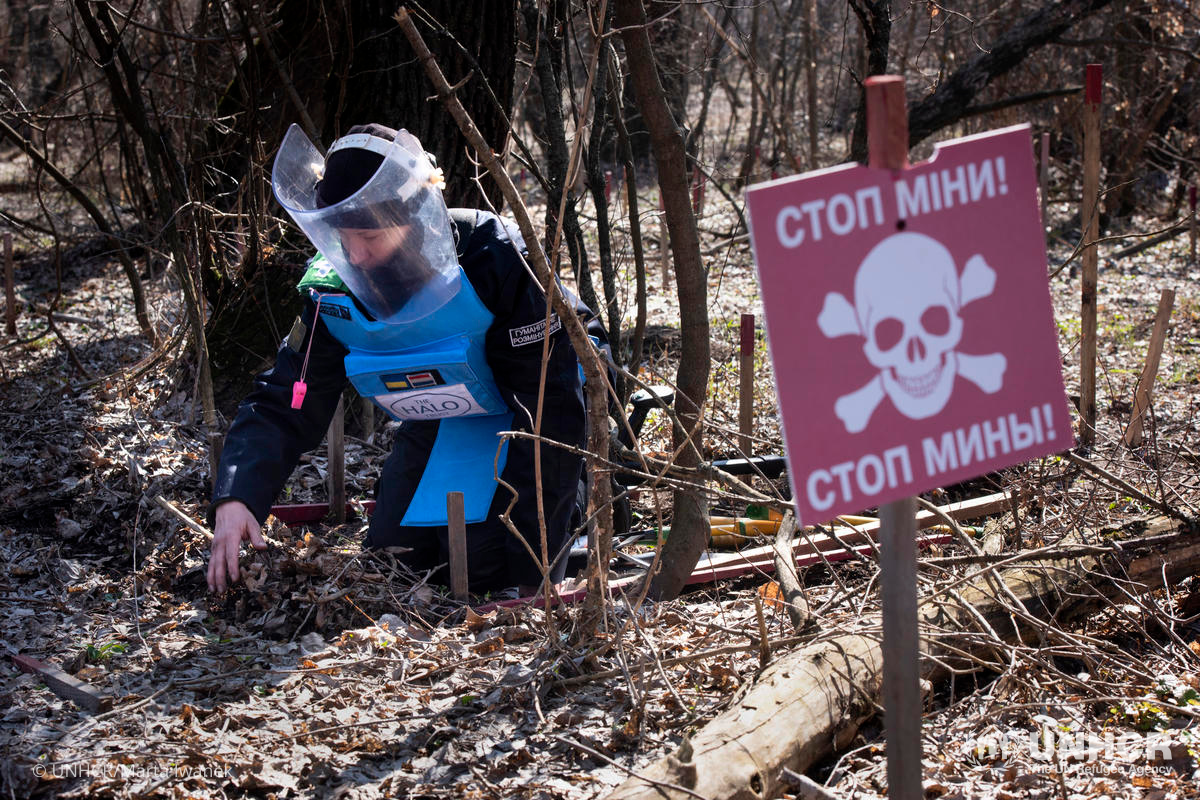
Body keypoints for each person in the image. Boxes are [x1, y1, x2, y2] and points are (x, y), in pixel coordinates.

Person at [206, 123, 605, 595]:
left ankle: (592, 494)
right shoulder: (335, 283)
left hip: (547, 401)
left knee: (485, 566)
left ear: (412, 219)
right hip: (446, 408)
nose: (355, 253)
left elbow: (550, 416)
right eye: (342, 235)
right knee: (397, 558)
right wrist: (237, 496)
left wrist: (536, 575)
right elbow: (290, 395)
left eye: (370, 236)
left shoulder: (494, 256)